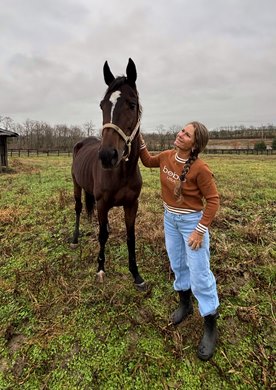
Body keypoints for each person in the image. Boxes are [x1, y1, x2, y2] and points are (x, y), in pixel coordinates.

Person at [139, 121, 220, 361]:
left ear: (195, 144)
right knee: (177, 263)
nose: (180, 134)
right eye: (182, 131)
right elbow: (147, 161)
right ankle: (185, 304)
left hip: (191, 223)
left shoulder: (201, 169)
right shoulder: (166, 156)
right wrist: (138, 137)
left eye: (187, 134)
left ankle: (210, 323)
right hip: (170, 220)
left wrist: (199, 230)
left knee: (200, 272)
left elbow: (213, 201)